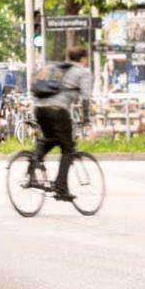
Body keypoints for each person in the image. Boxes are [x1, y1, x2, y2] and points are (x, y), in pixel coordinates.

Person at [32, 46, 94, 200]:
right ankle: (61, 188)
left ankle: (32, 167)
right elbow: (86, 98)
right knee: (68, 148)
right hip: (57, 111)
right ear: (84, 58)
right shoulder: (83, 72)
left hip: (39, 109)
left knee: (51, 140)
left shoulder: (58, 69)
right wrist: (86, 119)